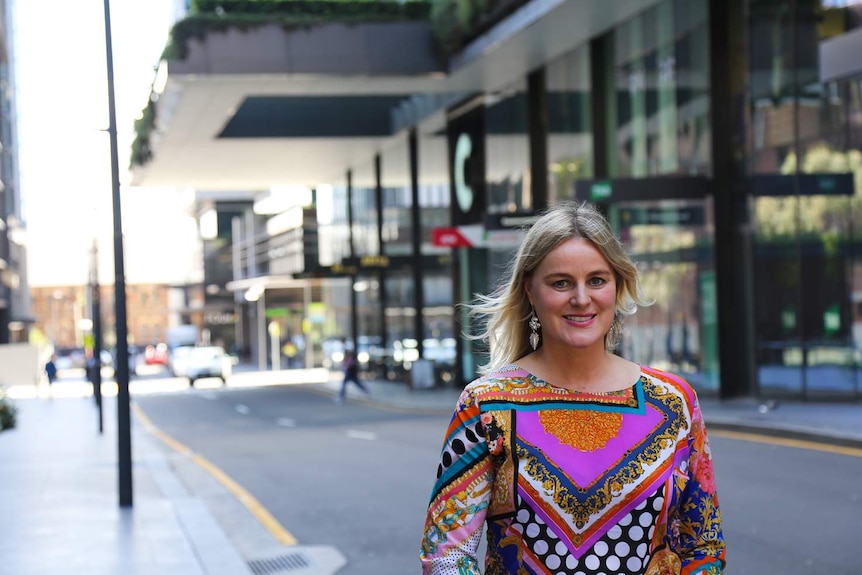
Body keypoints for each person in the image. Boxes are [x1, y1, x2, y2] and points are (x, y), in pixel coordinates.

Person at [419, 201, 725, 574]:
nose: (581, 298)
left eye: (597, 280)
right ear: (530, 290)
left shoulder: (674, 402)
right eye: (561, 283)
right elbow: (447, 556)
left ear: (618, 285)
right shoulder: (485, 405)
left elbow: (704, 547)